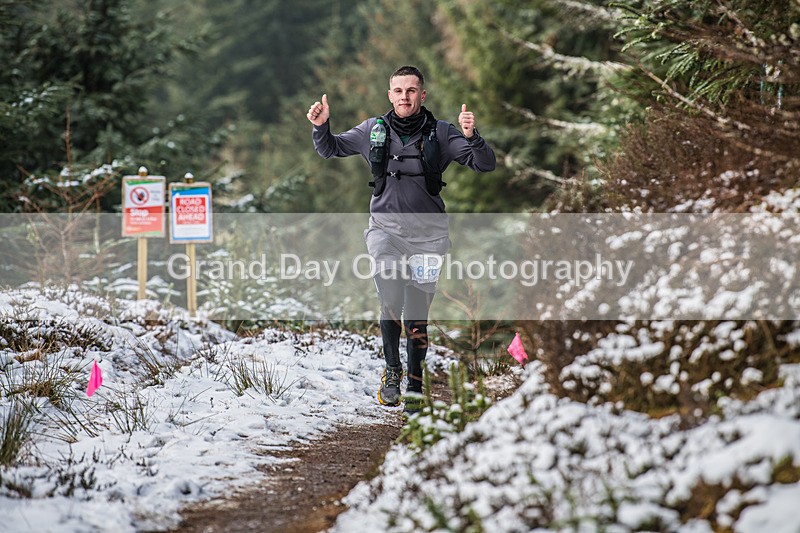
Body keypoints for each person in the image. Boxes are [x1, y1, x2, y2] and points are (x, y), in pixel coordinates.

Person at [307, 65, 496, 410]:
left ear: (422, 95)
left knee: (417, 313)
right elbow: (330, 148)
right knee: (391, 296)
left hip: (430, 238)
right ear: (389, 95)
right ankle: (392, 372)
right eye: (398, 90)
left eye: (411, 91)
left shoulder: (442, 133)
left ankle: (415, 382)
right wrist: (321, 127)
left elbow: (484, 164)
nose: (404, 96)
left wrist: (473, 137)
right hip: (385, 233)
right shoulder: (372, 131)